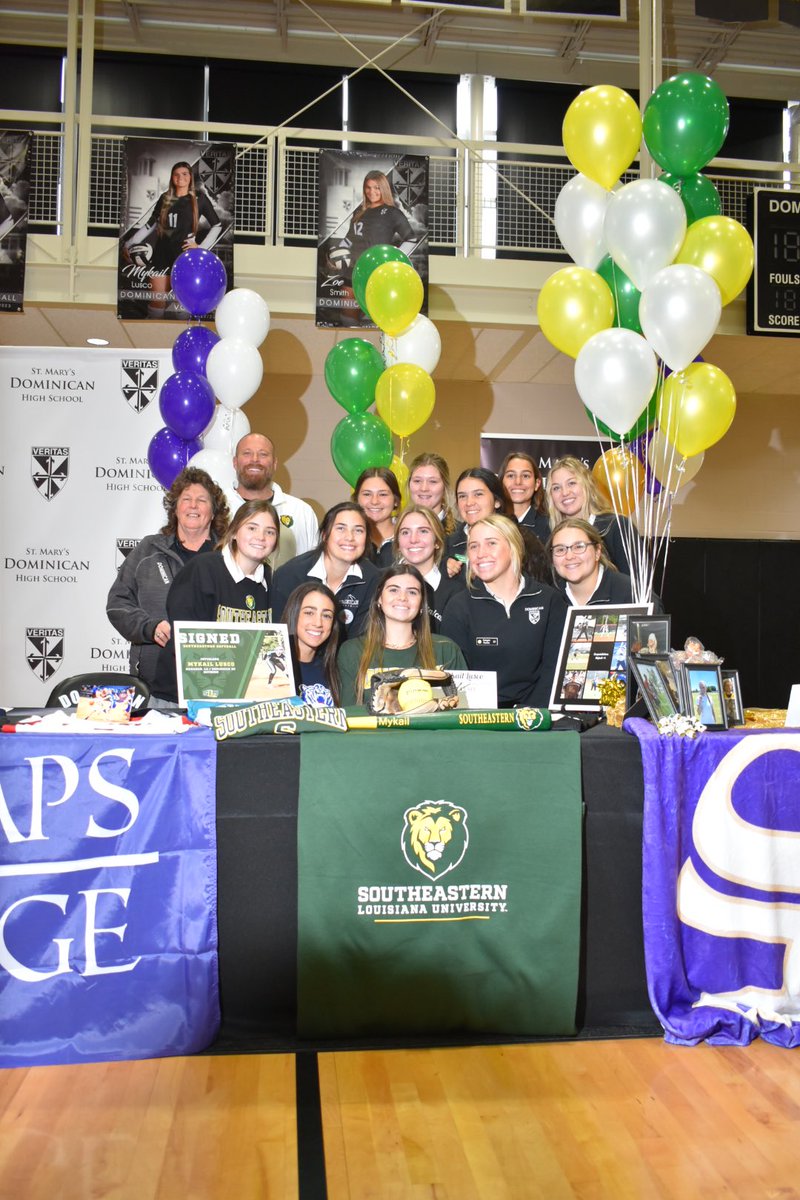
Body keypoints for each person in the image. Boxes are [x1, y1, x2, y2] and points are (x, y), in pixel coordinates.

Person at [106, 466, 229, 689]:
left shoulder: (229, 556)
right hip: (155, 683)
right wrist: (148, 627)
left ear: (213, 511)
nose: (193, 505)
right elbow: (117, 604)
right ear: (175, 509)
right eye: (186, 499)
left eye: (202, 500)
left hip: (217, 678)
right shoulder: (148, 550)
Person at [151, 500, 279, 703]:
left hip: (239, 696)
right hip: (182, 697)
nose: (261, 537)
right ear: (235, 532)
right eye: (252, 528)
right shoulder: (201, 570)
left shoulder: (271, 581)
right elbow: (187, 642)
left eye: (270, 532)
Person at [441, 515, 568, 708]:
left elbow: (555, 669)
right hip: (480, 722)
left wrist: (528, 716)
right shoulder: (458, 607)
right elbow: (456, 679)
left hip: (538, 719)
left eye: (491, 543)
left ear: (513, 547)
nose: (480, 553)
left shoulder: (549, 600)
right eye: (474, 546)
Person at [337, 564, 466, 708]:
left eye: (412, 592)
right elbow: (349, 716)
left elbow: (461, 714)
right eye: (393, 590)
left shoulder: (446, 650)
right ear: (379, 599)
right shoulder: (352, 652)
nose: (402, 598)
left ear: (421, 603)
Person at [123, 161, 225, 317]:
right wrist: (129, 243)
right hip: (161, 255)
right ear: (172, 178)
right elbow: (151, 224)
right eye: (176, 174)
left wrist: (201, 248)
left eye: (185, 174)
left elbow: (217, 225)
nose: (180, 178)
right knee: (157, 302)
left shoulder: (200, 198)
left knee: (182, 304)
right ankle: (153, 339)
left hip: (185, 257)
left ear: (190, 177)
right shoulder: (165, 198)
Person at [271, 502, 378, 641]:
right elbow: (280, 635)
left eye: (358, 530)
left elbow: (360, 642)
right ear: (325, 535)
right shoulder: (290, 575)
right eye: (340, 528)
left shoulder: (373, 579)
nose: (350, 537)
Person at [231, 433, 319, 567]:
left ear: (274, 463)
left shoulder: (302, 512)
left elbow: (314, 567)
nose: (254, 459)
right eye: (247, 453)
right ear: (235, 462)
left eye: (263, 454)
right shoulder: (219, 509)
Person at [545, 455, 633, 573]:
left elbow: (638, 585)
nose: (565, 492)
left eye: (571, 483)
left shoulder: (616, 526)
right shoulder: (550, 535)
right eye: (556, 488)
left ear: (587, 485)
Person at [392, 504, 464, 629]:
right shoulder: (379, 583)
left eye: (423, 531)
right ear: (398, 542)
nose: (413, 539)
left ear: (437, 541)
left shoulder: (457, 593)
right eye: (405, 532)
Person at [548, 518, 638, 607]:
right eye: (560, 549)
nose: (569, 556)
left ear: (597, 552)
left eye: (579, 547)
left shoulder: (631, 593)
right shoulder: (548, 599)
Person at [280, 582, 341, 707]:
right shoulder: (274, 668)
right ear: (293, 613)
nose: (318, 623)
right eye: (309, 613)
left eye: (326, 615)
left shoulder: (334, 671)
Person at [345, 170, 415, 269]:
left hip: (376, 268)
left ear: (384, 189)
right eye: (368, 187)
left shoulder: (392, 212)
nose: (371, 192)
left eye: (377, 188)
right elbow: (349, 238)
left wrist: (394, 258)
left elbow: (412, 239)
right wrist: (338, 249)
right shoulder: (359, 210)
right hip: (353, 267)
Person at [446, 467, 512, 563]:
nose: (469, 503)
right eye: (462, 496)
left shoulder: (517, 539)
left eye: (478, 494)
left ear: (497, 501)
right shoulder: (448, 545)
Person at [353, 467, 401, 567]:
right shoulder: (348, 539)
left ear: (395, 500)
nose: (374, 501)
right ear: (357, 499)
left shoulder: (409, 538)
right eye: (367, 494)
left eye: (383, 494)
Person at [499, 451, 550, 543]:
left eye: (525, 476)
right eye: (511, 475)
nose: (518, 481)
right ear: (501, 482)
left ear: (537, 484)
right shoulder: (491, 523)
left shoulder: (549, 526)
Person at [407, 452, 458, 536]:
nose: (424, 488)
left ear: (445, 486)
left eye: (432, 481)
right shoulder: (399, 531)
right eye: (417, 481)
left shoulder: (460, 536)